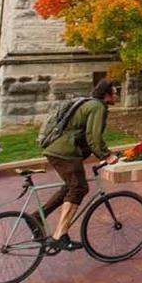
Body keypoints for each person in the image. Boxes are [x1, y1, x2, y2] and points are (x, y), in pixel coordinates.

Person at [39, 79, 119, 252]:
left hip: (56, 149)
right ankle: (60, 235)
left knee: (70, 186)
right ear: (106, 95)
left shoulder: (89, 103)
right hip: (65, 152)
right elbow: (93, 137)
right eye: (115, 92)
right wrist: (107, 155)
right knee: (79, 188)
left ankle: (38, 217)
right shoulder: (97, 107)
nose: (117, 95)